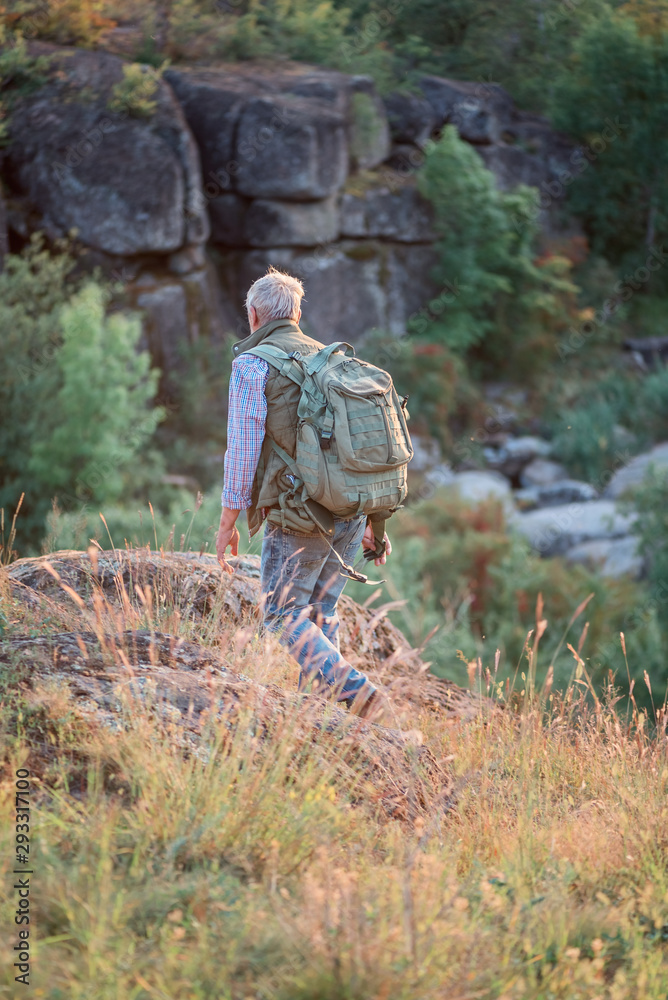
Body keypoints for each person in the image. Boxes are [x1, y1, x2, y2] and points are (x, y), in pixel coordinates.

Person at [215, 267, 391, 720]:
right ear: (295, 314)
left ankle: (356, 692)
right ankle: (322, 716)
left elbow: (243, 448)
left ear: (254, 315)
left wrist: (227, 523)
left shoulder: (251, 365)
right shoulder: (333, 361)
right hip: (351, 511)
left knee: (281, 613)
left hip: (299, 514)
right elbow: (371, 448)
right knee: (318, 611)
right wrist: (376, 521)